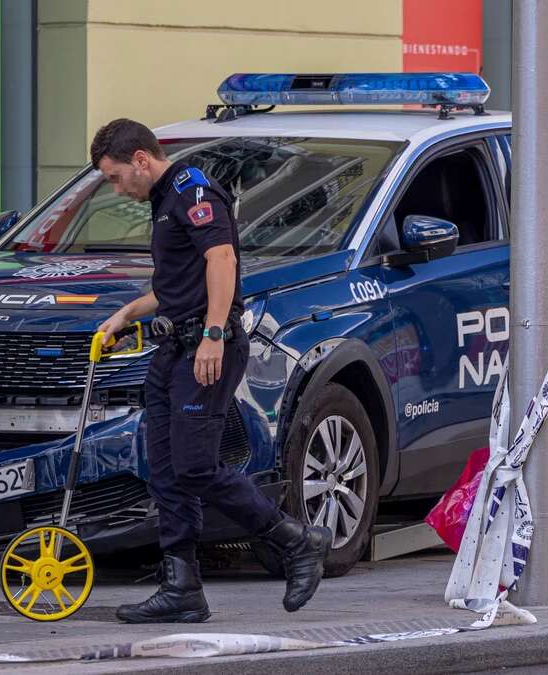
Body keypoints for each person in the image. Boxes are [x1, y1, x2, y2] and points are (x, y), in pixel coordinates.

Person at [94, 119, 333, 623]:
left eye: (115, 177)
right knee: (166, 472)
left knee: (196, 466)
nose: (116, 189)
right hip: (173, 351)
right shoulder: (163, 201)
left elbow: (221, 260)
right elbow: (180, 286)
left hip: (205, 349)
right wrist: (126, 314)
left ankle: (296, 540)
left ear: (140, 159)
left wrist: (213, 334)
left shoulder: (191, 188)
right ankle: (181, 587)